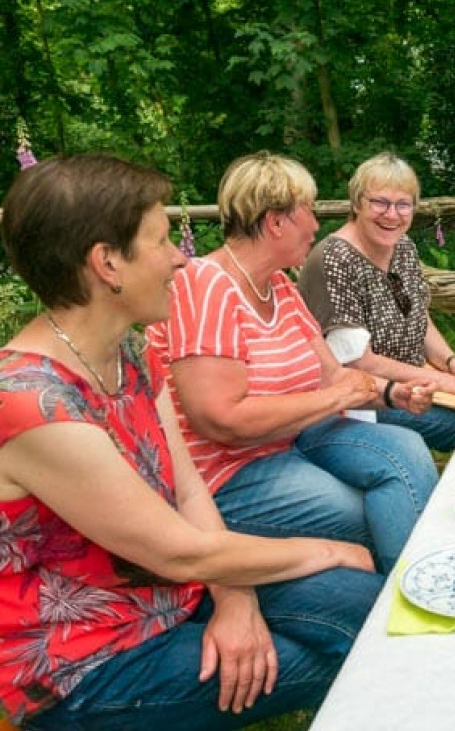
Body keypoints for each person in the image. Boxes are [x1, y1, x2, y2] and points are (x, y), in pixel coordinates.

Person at [0, 154, 383, 730]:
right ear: (107, 263)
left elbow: (188, 491)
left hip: (173, 593)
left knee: (363, 604)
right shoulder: (31, 402)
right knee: (352, 650)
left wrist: (235, 598)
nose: (181, 256)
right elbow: (177, 551)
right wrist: (325, 549)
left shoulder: (130, 355)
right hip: (83, 661)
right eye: (160, 240)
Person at [147, 151, 439, 575]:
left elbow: (334, 375)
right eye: (311, 212)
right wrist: (337, 396)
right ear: (276, 222)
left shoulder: (279, 286)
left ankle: (413, 581)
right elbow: (221, 420)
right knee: (360, 511)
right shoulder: (205, 284)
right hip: (227, 471)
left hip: (290, 439)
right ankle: (406, 593)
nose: (318, 226)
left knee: (405, 448)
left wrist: (395, 393)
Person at [298, 151, 455, 453]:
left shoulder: (403, 247)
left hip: (413, 383)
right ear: (357, 203)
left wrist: (453, 363)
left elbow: (417, 316)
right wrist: (438, 380)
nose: (392, 214)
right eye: (380, 202)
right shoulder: (335, 258)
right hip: (363, 399)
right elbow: (357, 360)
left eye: (403, 204)